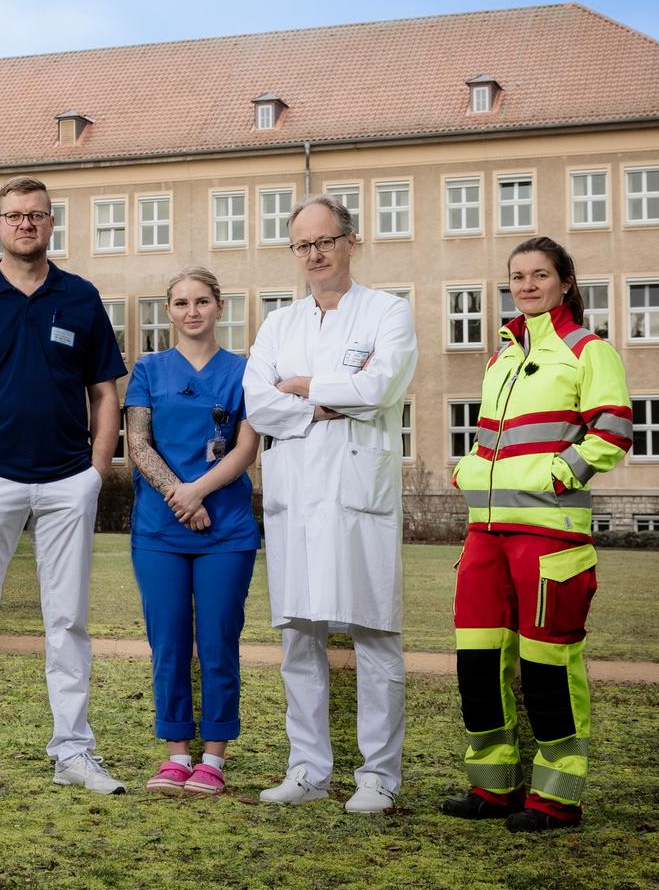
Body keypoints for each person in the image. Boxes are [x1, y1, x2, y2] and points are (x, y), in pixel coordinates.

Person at [0, 175, 129, 799]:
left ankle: (73, 751)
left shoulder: (82, 297)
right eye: (14, 216)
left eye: (36, 215)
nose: (26, 225)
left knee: (68, 621)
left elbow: (104, 392)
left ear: (51, 223)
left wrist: (96, 470)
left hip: (68, 482)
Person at [441, 236, 630, 832]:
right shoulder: (501, 357)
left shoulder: (587, 350)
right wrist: (468, 468)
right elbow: (493, 437)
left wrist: (559, 472)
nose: (526, 285)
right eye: (517, 276)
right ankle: (491, 788)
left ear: (564, 282)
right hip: (486, 534)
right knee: (477, 663)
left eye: (539, 275)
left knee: (548, 667)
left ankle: (555, 799)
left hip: (550, 536)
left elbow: (614, 428)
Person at [243, 194, 418, 814]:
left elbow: (384, 384)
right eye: (303, 245)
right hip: (298, 499)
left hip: (357, 498)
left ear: (351, 241)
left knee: (375, 635)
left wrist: (305, 388)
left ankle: (379, 776)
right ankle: (308, 768)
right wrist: (327, 403)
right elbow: (257, 404)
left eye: (325, 241)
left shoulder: (388, 313)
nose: (314, 254)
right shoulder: (278, 324)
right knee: (299, 637)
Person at [123, 267, 262, 796]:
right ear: (169, 312)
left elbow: (247, 449)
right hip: (160, 530)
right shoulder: (149, 370)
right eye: (180, 303)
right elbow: (138, 444)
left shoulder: (244, 371)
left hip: (225, 530)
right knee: (170, 643)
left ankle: (214, 758)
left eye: (202, 301)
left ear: (219, 306)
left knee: (219, 642)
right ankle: (176, 752)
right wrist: (181, 499)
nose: (191, 311)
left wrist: (197, 492)